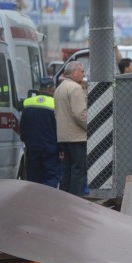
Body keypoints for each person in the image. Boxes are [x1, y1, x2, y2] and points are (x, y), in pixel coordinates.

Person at [20, 78, 62, 188]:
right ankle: (46, 200)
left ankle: (35, 201)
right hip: (50, 149)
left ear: (39, 89)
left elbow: (22, 126)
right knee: (51, 177)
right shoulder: (56, 104)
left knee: (33, 178)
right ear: (53, 89)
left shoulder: (28, 102)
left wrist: (25, 140)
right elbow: (59, 128)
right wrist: (61, 148)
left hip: (32, 148)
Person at [54, 61, 87, 196]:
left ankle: (64, 198)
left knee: (67, 169)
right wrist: (91, 128)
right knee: (79, 169)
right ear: (74, 72)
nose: (83, 74)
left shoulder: (60, 88)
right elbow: (80, 114)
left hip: (64, 136)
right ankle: (75, 200)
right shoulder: (75, 88)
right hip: (77, 136)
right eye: (82, 71)